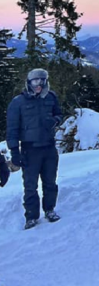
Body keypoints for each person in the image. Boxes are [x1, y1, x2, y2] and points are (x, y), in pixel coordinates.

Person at [6, 68, 63, 230]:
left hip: (49, 147)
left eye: (42, 81)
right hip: (30, 150)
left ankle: (50, 209)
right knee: (30, 186)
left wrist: (54, 121)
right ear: (29, 83)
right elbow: (12, 130)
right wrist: (14, 151)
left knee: (50, 182)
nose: (38, 85)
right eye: (35, 81)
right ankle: (31, 216)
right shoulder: (18, 102)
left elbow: (59, 114)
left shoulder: (51, 97)